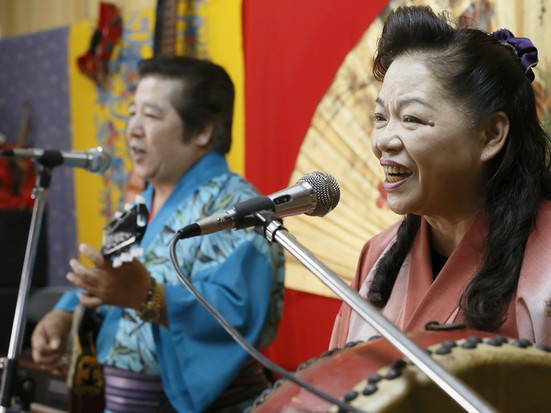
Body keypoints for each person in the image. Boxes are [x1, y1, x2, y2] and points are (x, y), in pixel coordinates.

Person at [31, 56, 285, 413]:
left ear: (203, 131)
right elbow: (108, 283)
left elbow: (237, 315)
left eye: (150, 116)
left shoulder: (238, 208)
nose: (133, 127)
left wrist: (150, 296)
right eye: (132, 112)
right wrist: (64, 314)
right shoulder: (135, 209)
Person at [331, 5, 551, 348]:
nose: (383, 142)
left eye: (411, 119)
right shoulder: (377, 256)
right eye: (380, 117)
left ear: (491, 134)